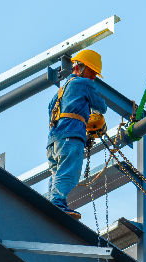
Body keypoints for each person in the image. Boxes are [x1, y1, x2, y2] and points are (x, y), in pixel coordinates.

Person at [46, 49, 108, 219]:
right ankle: (57, 204)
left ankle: (53, 202)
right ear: (80, 67)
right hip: (70, 137)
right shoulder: (83, 84)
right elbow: (101, 106)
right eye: (92, 71)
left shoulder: (62, 89)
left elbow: (50, 108)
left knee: (56, 172)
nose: (93, 76)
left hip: (54, 140)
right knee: (69, 172)